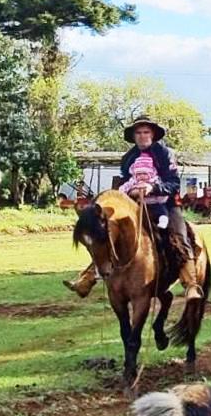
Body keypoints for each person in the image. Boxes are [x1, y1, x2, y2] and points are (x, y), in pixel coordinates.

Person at [63, 115, 203, 300]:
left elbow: (174, 183)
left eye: (146, 132)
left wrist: (153, 187)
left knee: (179, 236)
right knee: (107, 236)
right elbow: (125, 181)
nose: (142, 136)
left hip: (166, 205)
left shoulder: (165, 153)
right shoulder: (129, 157)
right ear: (134, 136)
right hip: (134, 206)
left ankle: (190, 284)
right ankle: (88, 278)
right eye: (138, 132)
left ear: (153, 134)